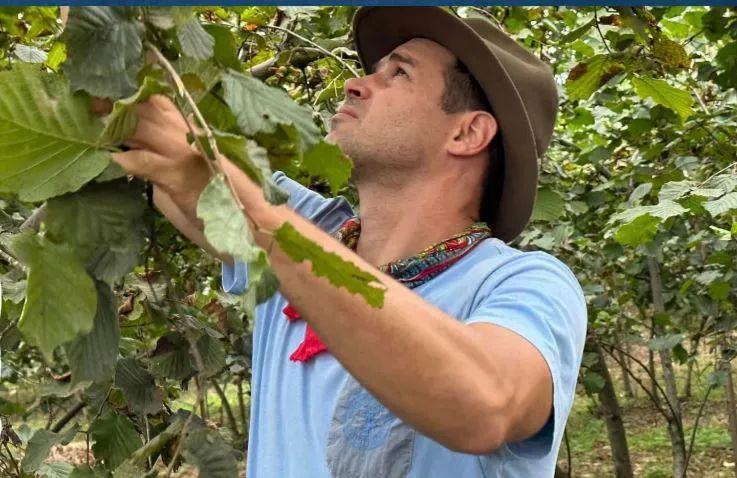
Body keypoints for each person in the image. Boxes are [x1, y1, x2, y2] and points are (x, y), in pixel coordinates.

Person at [111, 6, 588, 478]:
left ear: (467, 132)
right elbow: (151, 136)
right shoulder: (307, 227)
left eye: (398, 74)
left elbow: (485, 405)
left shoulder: (523, 283)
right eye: (372, 71)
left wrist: (259, 218)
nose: (355, 84)